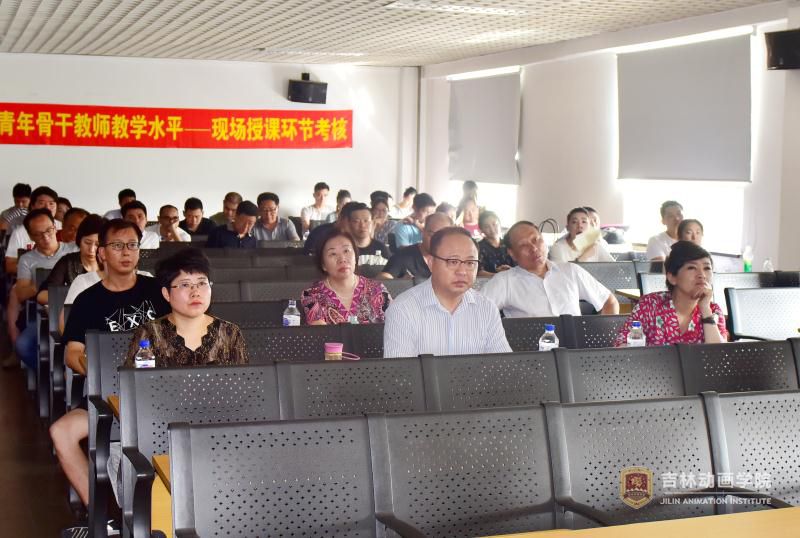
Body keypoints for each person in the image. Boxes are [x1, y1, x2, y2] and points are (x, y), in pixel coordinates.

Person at [49, 219, 170, 508]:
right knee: (61, 433)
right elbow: (72, 353)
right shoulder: (88, 300)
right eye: (117, 245)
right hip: (108, 394)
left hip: (161, 390)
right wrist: (100, 374)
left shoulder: (159, 291)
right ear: (101, 253)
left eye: (132, 245)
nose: (126, 252)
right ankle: (100, 516)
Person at [383, 227, 511, 357]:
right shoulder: (403, 309)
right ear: (431, 263)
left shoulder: (487, 308)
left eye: (470, 263)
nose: (462, 271)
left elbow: (502, 365)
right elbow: (401, 369)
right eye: (453, 262)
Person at [123, 248, 248, 367]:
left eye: (202, 283)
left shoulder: (229, 332)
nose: (195, 292)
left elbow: (243, 379)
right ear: (166, 294)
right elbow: (134, 380)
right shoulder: (149, 333)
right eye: (185, 285)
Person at [480, 221, 619, 317]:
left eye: (536, 240)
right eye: (523, 245)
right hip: (531, 351)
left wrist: (605, 339)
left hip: (575, 348)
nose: (533, 248)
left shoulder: (571, 271)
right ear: (512, 254)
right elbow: (476, 313)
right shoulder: (505, 282)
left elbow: (609, 301)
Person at [614, 241, 727, 346]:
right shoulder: (649, 304)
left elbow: (718, 356)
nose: (702, 275)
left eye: (707, 268)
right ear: (672, 277)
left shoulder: (713, 310)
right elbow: (622, 346)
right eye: (692, 267)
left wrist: (705, 310)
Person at [9, 209, 77, 370]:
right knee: (23, 345)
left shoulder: (73, 250)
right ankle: (49, 374)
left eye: (49, 230)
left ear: (55, 227)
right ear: (30, 236)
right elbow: (21, 293)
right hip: (44, 314)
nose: (46, 237)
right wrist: (43, 283)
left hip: (75, 310)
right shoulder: (27, 260)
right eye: (38, 234)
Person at [301, 228, 392, 324]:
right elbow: (321, 331)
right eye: (333, 254)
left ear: (356, 256)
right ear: (323, 265)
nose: (342, 259)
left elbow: (396, 323)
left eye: (346, 251)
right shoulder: (312, 295)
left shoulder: (377, 290)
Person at [37, 214, 104, 306]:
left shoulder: (111, 264)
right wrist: (74, 294)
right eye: (87, 243)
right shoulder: (68, 262)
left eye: (97, 244)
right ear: (79, 240)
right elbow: (42, 296)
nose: (92, 250)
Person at [4, 186, 61, 274]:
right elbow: (10, 266)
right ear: (32, 206)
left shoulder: (64, 228)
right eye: (41, 203)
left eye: (51, 203)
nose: (47, 207)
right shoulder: (19, 232)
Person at [379, 212, 451, 279]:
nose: (436, 241)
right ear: (423, 232)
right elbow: (383, 278)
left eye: (442, 237)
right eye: (432, 235)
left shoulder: (453, 258)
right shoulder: (404, 255)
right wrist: (400, 283)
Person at [549, 207, 614, 262]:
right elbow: (560, 273)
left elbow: (614, 268)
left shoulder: (595, 246)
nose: (580, 225)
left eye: (584, 222)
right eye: (574, 222)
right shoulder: (557, 248)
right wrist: (584, 257)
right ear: (568, 228)